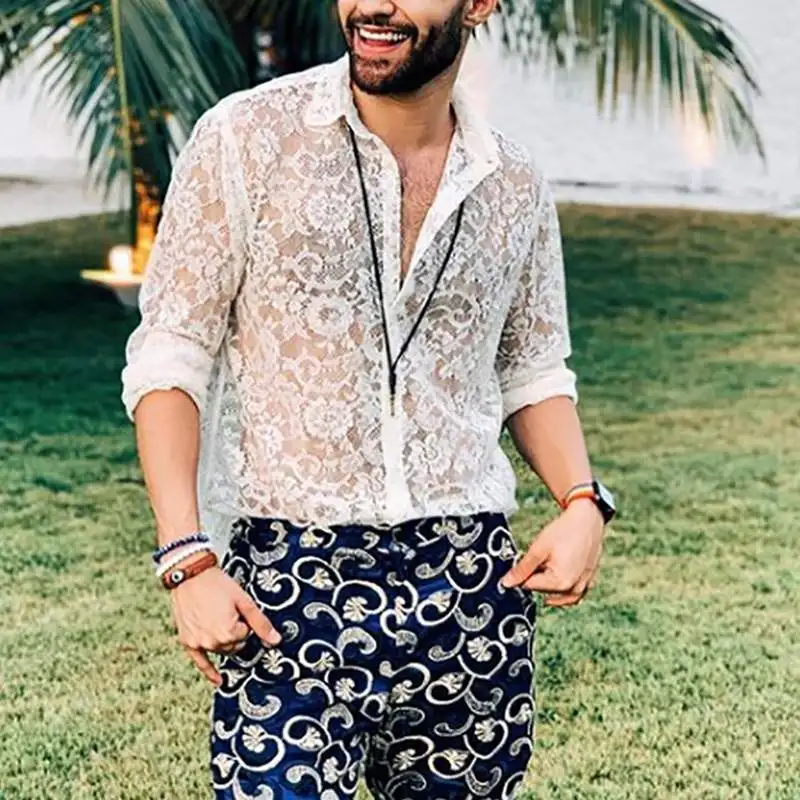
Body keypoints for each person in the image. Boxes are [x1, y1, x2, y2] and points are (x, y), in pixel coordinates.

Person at [121, 1, 617, 797]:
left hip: (468, 582)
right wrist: (186, 558)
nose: (371, 5)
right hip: (288, 581)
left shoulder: (513, 181)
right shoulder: (247, 138)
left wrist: (583, 502)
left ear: (481, 4)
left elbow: (532, 367)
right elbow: (170, 357)